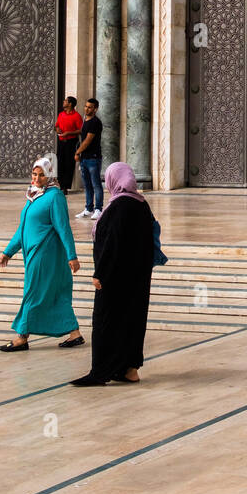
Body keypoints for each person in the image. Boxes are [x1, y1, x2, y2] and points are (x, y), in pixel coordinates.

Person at [71, 161, 156, 387]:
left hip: (115, 279)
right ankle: (130, 369)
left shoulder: (119, 206)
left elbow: (111, 243)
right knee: (132, 321)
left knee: (105, 322)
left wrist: (100, 273)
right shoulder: (141, 204)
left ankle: (100, 371)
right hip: (137, 278)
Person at [0, 154, 83, 351]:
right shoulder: (34, 196)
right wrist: (8, 252)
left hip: (45, 255)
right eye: (34, 174)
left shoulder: (55, 197)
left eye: (41, 175)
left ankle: (22, 336)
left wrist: (72, 255)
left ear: (50, 176)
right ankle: (74, 333)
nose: (36, 179)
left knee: (32, 292)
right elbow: (23, 228)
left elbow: (63, 228)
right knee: (55, 294)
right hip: (32, 253)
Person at [75, 97, 103, 220]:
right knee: (87, 185)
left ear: (95, 109)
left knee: (96, 184)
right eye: (86, 106)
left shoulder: (95, 122)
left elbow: (88, 140)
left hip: (93, 158)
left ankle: (98, 209)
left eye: (90, 107)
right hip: (84, 158)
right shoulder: (85, 120)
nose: (86, 109)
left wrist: (77, 152)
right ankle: (88, 208)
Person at [55, 95, 82, 194]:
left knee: (69, 164)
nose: (64, 102)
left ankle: (66, 187)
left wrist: (69, 133)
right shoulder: (61, 114)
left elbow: (80, 130)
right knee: (60, 163)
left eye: (66, 101)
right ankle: (60, 185)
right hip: (61, 142)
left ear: (70, 104)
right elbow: (56, 125)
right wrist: (57, 129)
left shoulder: (77, 116)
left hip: (71, 142)